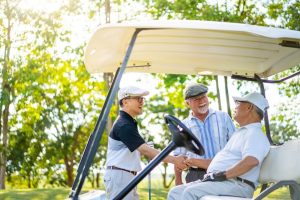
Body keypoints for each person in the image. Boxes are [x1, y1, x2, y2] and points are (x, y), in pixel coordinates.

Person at [168, 92, 271, 199]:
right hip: (223, 181)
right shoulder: (240, 133)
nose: (235, 106)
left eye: (238, 103)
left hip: (238, 184)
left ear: (249, 107)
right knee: (175, 192)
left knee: (190, 192)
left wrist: (222, 175)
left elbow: (251, 161)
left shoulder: (254, 133)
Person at [103, 86, 187, 200]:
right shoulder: (124, 125)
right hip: (120, 177)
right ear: (125, 101)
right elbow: (145, 150)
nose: (142, 102)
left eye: (142, 99)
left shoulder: (128, 122)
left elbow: (137, 150)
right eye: (138, 99)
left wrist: (145, 150)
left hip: (124, 176)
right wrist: (175, 160)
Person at [174, 83, 235, 185]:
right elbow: (178, 155)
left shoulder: (223, 117)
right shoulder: (183, 126)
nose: (202, 102)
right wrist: (178, 180)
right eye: (196, 99)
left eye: (203, 97)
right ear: (187, 103)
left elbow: (235, 146)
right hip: (196, 175)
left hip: (224, 172)